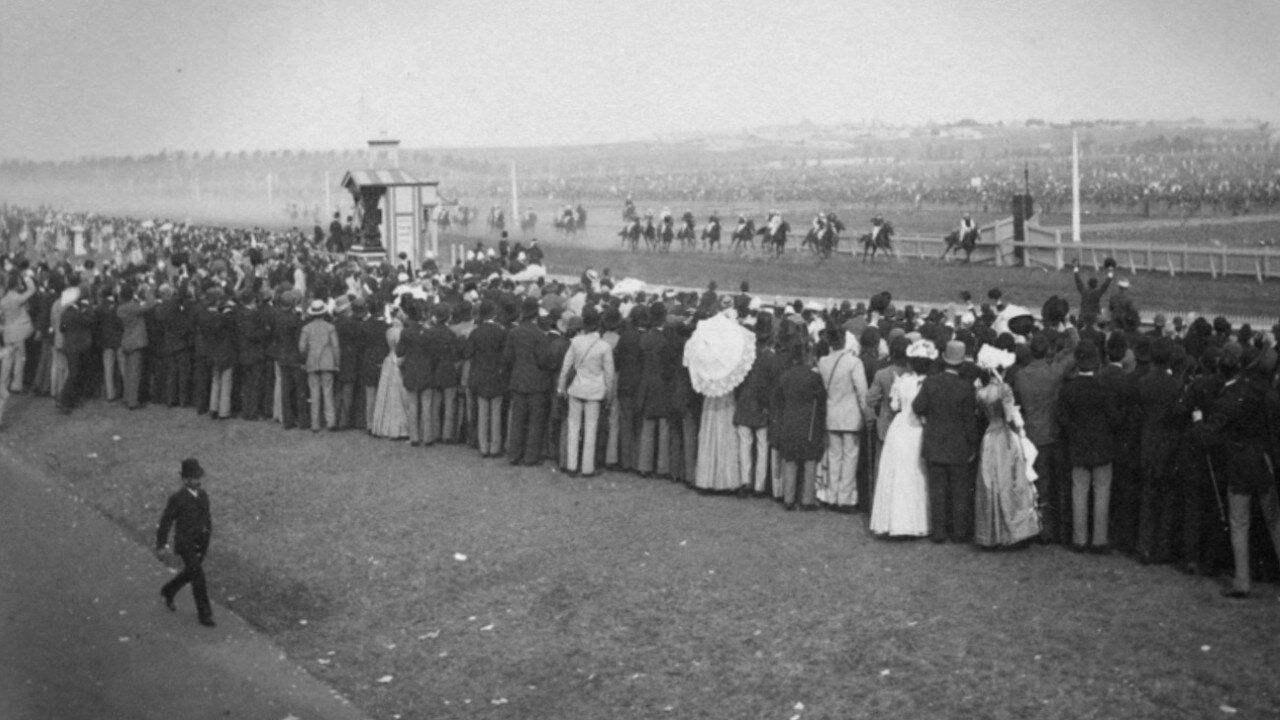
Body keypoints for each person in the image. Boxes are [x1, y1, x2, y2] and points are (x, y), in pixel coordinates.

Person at [1193, 343, 1280, 598]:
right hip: (1262, 463)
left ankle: (1242, 582)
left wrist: (1198, 420)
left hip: (1239, 467)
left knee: (1239, 524)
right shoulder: (1261, 392)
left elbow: (1206, 438)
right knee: (1275, 522)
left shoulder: (1227, 400)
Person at [1056, 341, 1122, 553]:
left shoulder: (1068, 389)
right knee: (1102, 492)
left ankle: (1079, 539)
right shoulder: (1104, 388)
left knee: (1079, 491)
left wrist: (1075, 431)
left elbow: (1062, 418)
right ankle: (1099, 540)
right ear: (1096, 363)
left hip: (1078, 445)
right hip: (1102, 446)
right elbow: (1114, 419)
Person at [973, 346, 1041, 547]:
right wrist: (1020, 429)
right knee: (1010, 482)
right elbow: (1010, 417)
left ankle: (991, 532)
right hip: (1004, 436)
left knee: (991, 482)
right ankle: (1013, 531)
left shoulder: (981, 392)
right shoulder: (1004, 390)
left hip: (989, 437)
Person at [913, 340, 980, 543]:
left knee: (937, 489)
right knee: (959, 490)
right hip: (958, 444)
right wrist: (973, 445)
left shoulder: (931, 382)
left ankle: (939, 531)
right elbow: (970, 421)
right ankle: (958, 531)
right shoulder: (966, 387)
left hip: (935, 442)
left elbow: (918, 406)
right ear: (961, 363)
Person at [869, 339, 933, 537]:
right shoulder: (928, 382)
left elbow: (895, 406)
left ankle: (894, 521)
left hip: (900, 427)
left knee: (897, 473)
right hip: (917, 427)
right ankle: (916, 521)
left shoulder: (903, 380)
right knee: (916, 472)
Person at [156, 458, 216, 628]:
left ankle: (169, 590)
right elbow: (166, 521)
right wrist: (161, 545)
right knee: (198, 576)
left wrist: (207, 534)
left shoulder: (203, 496)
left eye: (199, 477)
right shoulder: (178, 498)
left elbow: (207, 518)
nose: (198, 481)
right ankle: (205, 614)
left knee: (191, 572)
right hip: (185, 543)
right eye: (194, 478)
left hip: (200, 543)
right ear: (186, 479)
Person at [816, 326, 870, 511]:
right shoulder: (854, 362)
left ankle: (831, 495)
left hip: (832, 414)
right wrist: (866, 414)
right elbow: (862, 392)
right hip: (851, 416)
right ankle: (844, 498)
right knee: (849, 458)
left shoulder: (823, 362)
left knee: (833, 456)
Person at [558, 307, 614, 477]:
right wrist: (609, 394)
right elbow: (609, 374)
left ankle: (571, 465)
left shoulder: (576, 342)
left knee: (573, 426)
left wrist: (561, 387)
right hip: (595, 390)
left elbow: (566, 368)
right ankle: (587, 467)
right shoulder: (604, 346)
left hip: (576, 388)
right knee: (591, 428)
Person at [298, 299, 340, 431]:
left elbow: (301, 347)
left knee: (314, 393)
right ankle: (330, 421)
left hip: (312, 361)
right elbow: (336, 346)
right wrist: (337, 363)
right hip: (327, 362)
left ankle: (315, 423)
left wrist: (306, 357)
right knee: (328, 392)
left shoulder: (306, 328)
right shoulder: (330, 327)